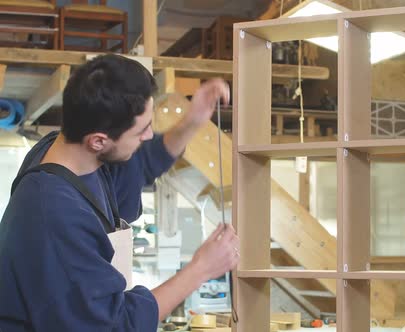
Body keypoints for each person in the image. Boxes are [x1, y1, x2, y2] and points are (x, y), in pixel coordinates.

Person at [0, 54, 239, 331]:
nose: (149, 136)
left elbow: (141, 161)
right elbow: (115, 326)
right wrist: (201, 269)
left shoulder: (72, 153)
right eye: (141, 131)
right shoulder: (55, 213)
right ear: (98, 141)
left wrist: (192, 121)